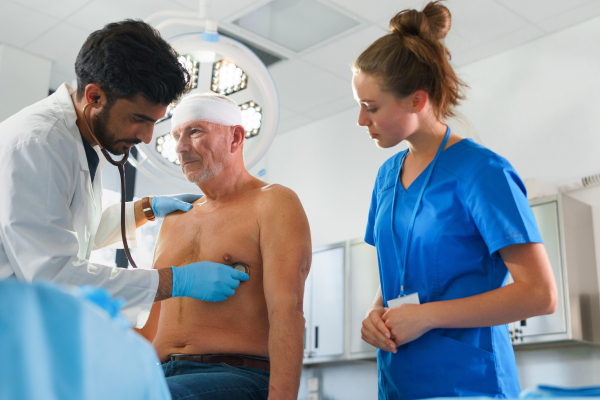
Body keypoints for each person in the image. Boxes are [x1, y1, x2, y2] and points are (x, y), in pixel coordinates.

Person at [352, 2, 557, 398]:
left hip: (470, 383)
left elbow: (539, 293)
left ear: (417, 100)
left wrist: (426, 317)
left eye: (371, 107)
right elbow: (397, 270)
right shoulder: (386, 178)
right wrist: (374, 312)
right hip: (399, 378)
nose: (362, 120)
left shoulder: (482, 172)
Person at [0, 20, 248, 328]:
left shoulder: (79, 139)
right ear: (94, 97)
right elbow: (53, 272)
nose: (146, 137)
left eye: (155, 122)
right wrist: (174, 281)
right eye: (139, 119)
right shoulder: (39, 144)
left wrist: (147, 209)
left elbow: (75, 231)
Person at [136, 93, 312, 400]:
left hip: (237, 375)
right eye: (177, 135)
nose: (180, 146)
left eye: (195, 131)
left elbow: (288, 310)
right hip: (162, 376)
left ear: (235, 137)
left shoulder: (273, 202)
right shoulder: (175, 219)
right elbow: (151, 320)